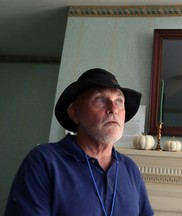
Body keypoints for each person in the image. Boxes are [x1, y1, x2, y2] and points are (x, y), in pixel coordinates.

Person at [5, 68, 154, 216]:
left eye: (119, 101)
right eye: (100, 99)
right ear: (75, 112)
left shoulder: (130, 168)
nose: (113, 109)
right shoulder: (43, 161)